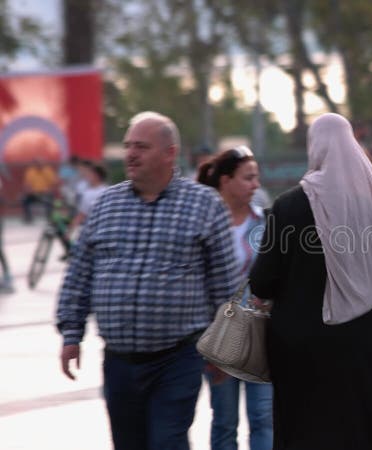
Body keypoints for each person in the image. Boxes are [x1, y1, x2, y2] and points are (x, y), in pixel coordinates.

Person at [56, 111, 240, 450]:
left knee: (167, 441)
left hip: (177, 357)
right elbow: (80, 273)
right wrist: (71, 332)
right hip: (119, 361)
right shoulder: (106, 205)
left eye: (141, 146)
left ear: (169, 153)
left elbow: (224, 285)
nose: (130, 154)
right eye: (128, 146)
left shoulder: (204, 204)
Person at [249, 113, 372, 450]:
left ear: (315, 148)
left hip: (298, 347)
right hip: (360, 346)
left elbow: (262, 282)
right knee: (361, 429)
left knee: (305, 430)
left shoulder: (288, 206)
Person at [197, 146, 274, 450]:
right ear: (226, 181)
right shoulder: (205, 224)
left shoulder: (265, 224)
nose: (256, 184)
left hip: (260, 335)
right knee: (225, 419)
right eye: (248, 178)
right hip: (220, 336)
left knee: (263, 416)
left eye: (256, 178)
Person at [66, 161, 108, 238]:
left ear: (96, 176)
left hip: (92, 232)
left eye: (90, 174)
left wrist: (69, 231)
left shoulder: (89, 194)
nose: (87, 177)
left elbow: (81, 215)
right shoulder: (108, 190)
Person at [21, 157, 59, 223]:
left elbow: (55, 183)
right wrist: (30, 191)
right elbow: (26, 184)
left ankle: (50, 218)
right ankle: (28, 217)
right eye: (37, 163)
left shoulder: (48, 170)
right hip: (34, 193)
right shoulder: (30, 171)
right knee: (24, 199)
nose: (39, 165)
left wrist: (49, 190)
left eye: (40, 163)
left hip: (45, 193)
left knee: (49, 198)